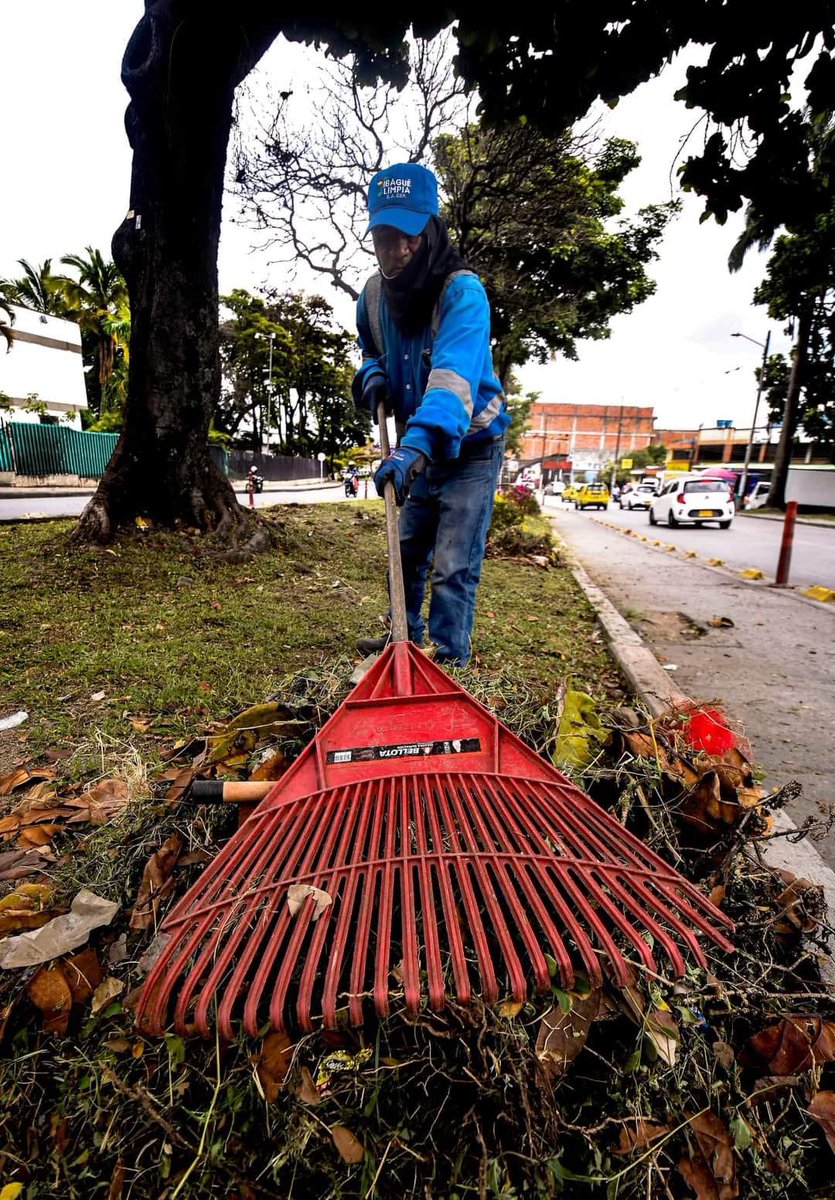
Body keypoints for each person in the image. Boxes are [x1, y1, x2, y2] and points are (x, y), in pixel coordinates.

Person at [352, 162, 509, 665]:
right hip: (418, 446)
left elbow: (450, 384)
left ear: (431, 229)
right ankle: (404, 639)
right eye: (383, 237)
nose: (395, 252)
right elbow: (370, 348)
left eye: (409, 237)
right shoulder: (373, 297)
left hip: (471, 448)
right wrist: (371, 374)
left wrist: (412, 448)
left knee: (451, 564)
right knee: (406, 549)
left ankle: (446, 659)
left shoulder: (462, 294)